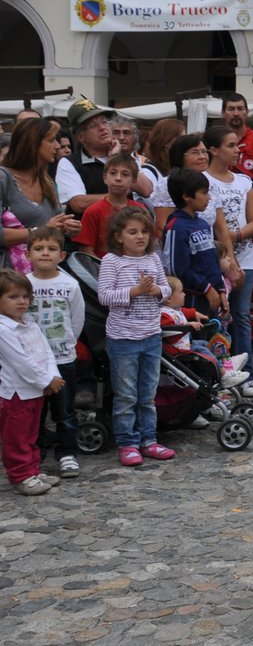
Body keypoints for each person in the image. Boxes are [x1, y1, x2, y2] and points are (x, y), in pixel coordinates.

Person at [98, 207, 175, 466]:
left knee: (148, 393)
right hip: (123, 339)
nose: (140, 237)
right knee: (126, 394)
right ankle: (127, 442)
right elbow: (105, 296)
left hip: (151, 335)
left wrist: (154, 290)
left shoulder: (153, 259)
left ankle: (149, 439)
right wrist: (134, 291)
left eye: (144, 232)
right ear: (119, 236)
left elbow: (166, 290)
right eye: (133, 232)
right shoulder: (112, 261)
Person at [203, 127, 253, 395]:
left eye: (237, 145)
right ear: (214, 150)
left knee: (241, 314)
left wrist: (237, 235)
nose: (237, 150)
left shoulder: (243, 181)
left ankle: (247, 374)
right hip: (218, 258)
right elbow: (215, 224)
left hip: (246, 254)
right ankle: (221, 370)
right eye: (230, 145)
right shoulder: (204, 181)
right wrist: (228, 252)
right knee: (220, 317)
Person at [25, 228, 84, 480]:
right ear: (28, 254)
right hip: (32, 362)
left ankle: (66, 453)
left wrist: (68, 344)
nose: (45, 254)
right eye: (39, 249)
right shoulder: (24, 284)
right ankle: (33, 455)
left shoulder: (70, 284)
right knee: (35, 411)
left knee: (64, 409)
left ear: (61, 255)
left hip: (62, 358)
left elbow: (77, 319)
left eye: (50, 249)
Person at [0, 269, 65, 496]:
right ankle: (20, 475)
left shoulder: (30, 323)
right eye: (13, 297)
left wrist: (53, 376)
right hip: (17, 392)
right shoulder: (3, 329)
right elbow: (21, 362)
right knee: (16, 437)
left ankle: (32, 470)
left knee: (31, 433)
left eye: (25, 297)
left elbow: (45, 352)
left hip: (37, 390)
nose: (21, 302)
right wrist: (46, 380)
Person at [55, 101, 153, 217]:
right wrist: (119, 196)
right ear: (80, 136)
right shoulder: (69, 163)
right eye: (93, 125)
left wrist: (115, 158)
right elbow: (78, 203)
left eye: (104, 122)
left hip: (124, 229)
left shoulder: (121, 155)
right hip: (90, 231)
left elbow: (146, 190)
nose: (102, 128)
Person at [2, 119, 78, 252]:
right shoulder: (3, 178)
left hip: (43, 269)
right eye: (51, 140)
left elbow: (54, 225)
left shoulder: (46, 181)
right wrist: (41, 230)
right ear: (33, 144)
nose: (57, 146)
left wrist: (67, 227)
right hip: (10, 270)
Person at [162, 168, 224, 316]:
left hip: (212, 294)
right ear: (186, 196)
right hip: (192, 298)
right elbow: (176, 268)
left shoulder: (202, 223)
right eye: (204, 192)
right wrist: (206, 288)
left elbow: (212, 262)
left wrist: (220, 288)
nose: (208, 198)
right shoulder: (176, 227)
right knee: (198, 337)